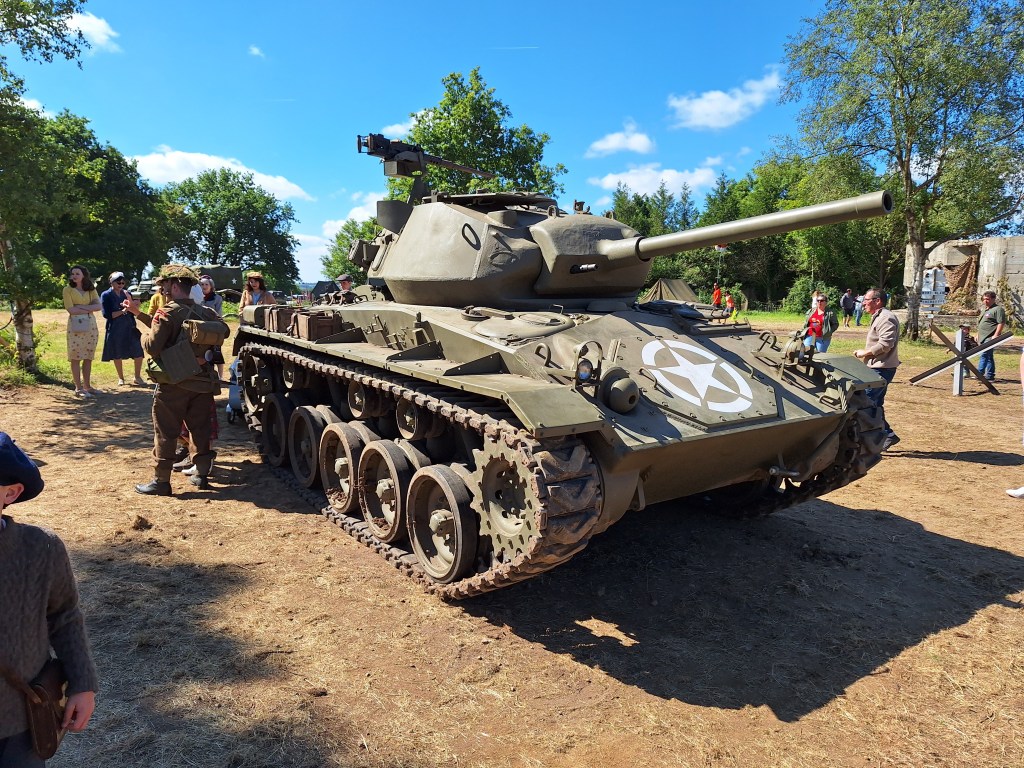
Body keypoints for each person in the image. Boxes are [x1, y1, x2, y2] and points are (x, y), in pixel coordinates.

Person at [0, 432, 98, 765]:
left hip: (21, 719)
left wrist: (82, 684)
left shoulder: (41, 548)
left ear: (10, 493)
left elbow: (65, 617)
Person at [123, 265, 230, 495]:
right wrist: (138, 313)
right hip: (201, 383)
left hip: (173, 385)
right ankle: (201, 475)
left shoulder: (166, 313)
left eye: (163, 286)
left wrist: (142, 336)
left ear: (173, 286)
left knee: (165, 431)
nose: (161, 290)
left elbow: (152, 346)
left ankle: (161, 481)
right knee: (200, 429)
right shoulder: (208, 314)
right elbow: (221, 335)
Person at [854, 288, 901, 450]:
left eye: (866, 300)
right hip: (877, 367)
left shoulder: (886, 318)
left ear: (877, 301)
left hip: (881, 369)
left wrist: (865, 352)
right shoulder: (879, 317)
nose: (863, 303)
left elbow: (886, 344)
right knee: (874, 403)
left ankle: (885, 435)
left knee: (867, 404)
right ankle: (884, 435)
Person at [62, 265, 102, 398]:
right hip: (75, 326)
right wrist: (89, 308)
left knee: (88, 356)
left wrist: (82, 307)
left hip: (90, 326)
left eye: (77, 273)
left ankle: (87, 386)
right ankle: (78, 388)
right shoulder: (67, 290)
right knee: (75, 357)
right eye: (72, 273)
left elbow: (98, 306)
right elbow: (71, 310)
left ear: (83, 275)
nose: (74, 276)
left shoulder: (91, 288)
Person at [100, 271, 146, 386]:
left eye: (122, 281)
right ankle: (121, 378)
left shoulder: (127, 293)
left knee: (138, 352)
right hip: (115, 328)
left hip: (130, 326)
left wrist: (135, 305)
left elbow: (133, 310)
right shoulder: (106, 295)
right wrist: (123, 311)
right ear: (111, 282)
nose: (121, 283)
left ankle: (137, 377)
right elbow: (108, 315)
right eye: (118, 281)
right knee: (117, 353)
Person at [198, 275, 225, 380]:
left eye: (206, 284)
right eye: (201, 284)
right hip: (200, 328)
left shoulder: (217, 298)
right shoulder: (196, 298)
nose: (204, 286)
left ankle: (220, 377)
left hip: (214, 328)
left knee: (217, 352)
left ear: (211, 286)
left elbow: (219, 314)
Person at [976, 290, 1006, 382]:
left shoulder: (998, 309)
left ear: (993, 299)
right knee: (988, 356)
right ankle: (990, 375)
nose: (985, 301)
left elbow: (1001, 323)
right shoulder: (985, 309)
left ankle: (979, 373)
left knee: (984, 354)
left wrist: (996, 335)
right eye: (984, 299)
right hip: (982, 336)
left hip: (990, 336)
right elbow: (981, 323)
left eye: (988, 299)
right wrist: (977, 334)